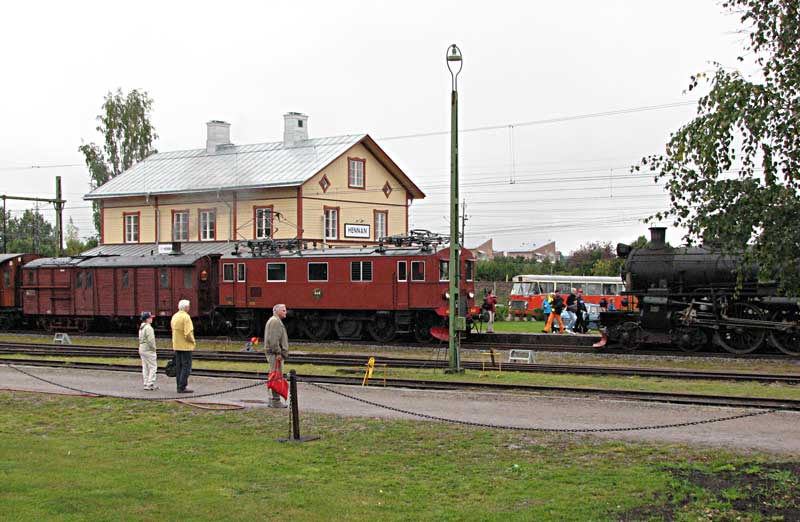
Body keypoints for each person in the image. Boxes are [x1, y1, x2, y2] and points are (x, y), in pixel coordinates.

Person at [265, 303, 289, 408]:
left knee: (273, 374)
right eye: (283, 310)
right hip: (275, 354)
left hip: (274, 353)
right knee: (276, 376)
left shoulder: (273, 320)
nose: (286, 312)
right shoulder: (275, 322)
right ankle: (275, 401)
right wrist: (278, 352)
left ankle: (272, 399)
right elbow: (273, 340)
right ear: (277, 311)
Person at [171, 299, 195, 393]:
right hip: (185, 346)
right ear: (185, 308)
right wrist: (192, 341)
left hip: (177, 345)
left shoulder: (175, 316)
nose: (189, 308)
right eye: (188, 306)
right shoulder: (186, 317)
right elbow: (188, 333)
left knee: (179, 367)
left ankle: (178, 385)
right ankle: (182, 386)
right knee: (186, 367)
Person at [138, 311, 158, 390]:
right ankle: (150, 383)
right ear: (147, 319)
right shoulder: (149, 328)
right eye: (150, 318)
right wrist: (154, 349)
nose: (151, 319)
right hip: (148, 349)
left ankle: (146, 383)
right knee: (153, 367)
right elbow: (151, 340)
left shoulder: (141, 327)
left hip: (142, 348)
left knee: (145, 367)